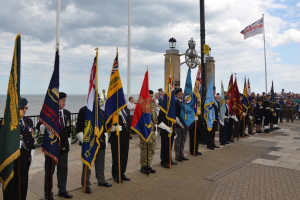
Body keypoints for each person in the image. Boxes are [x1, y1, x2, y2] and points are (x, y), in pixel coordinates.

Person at [2, 97, 35, 200]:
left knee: (23, 187)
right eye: (23, 107)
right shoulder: (6, 124)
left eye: (26, 107)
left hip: (25, 162)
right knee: (11, 190)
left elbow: (31, 139)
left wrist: (31, 154)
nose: (25, 110)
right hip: (12, 164)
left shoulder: (28, 121)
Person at [76, 106, 112, 194]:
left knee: (100, 163)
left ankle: (101, 180)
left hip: (101, 141)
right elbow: (79, 127)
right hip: (89, 143)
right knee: (88, 164)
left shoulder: (101, 111)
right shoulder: (84, 110)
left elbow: (104, 127)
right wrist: (84, 141)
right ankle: (86, 184)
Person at [43, 92, 73, 199]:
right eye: (62, 100)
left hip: (64, 148)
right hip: (52, 148)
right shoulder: (50, 114)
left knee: (63, 170)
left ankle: (62, 190)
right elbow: (40, 125)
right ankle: (48, 194)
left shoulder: (67, 113)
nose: (64, 102)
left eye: (65, 100)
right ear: (57, 101)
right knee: (49, 172)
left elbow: (68, 130)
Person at [109, 107, 131, 183]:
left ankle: (122, 173)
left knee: (124, 157)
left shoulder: (126, 110)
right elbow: (108, 124)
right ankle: (116, 175)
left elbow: (128, 121)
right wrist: (115, 128)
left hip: (125, 137)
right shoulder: (113, 110)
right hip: (116, 138)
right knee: (116, 157)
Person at [139, 90, 158, 174]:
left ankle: (148, 165)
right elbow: (140, 119)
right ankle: (143, 166)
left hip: (152, 130)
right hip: (145, 131)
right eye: (149, 96)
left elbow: (155, 116)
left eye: (151, 96)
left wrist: (156, 126)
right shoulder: (142, 106)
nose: (150, 98)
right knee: (144, 149)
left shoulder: (153, 105)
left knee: (151, 148)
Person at [174, 88, 189, 162]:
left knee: (183, 140)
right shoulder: (175, 102)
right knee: (178, 141)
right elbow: (175, 115)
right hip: (178, 125)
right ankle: (177, 156)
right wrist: (180, 123)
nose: (182, 94)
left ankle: (181, 154)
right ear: (176, 95)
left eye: (182, 93)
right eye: (180, 93)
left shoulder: (185, 102)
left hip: (185, 124)